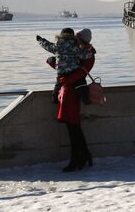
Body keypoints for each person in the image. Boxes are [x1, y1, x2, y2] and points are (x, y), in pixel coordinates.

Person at [36, 27, 93, 172]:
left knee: (73, 126)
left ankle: (78, 158)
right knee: (74, 127)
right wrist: (53, 64)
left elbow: (80, 71)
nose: (76, 38)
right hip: (69, 89)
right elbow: (67, 64)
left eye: (78, 37)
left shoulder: (85, 52)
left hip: (72, 90)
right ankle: (84, 155)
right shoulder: (79, 49)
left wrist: (64, 79)